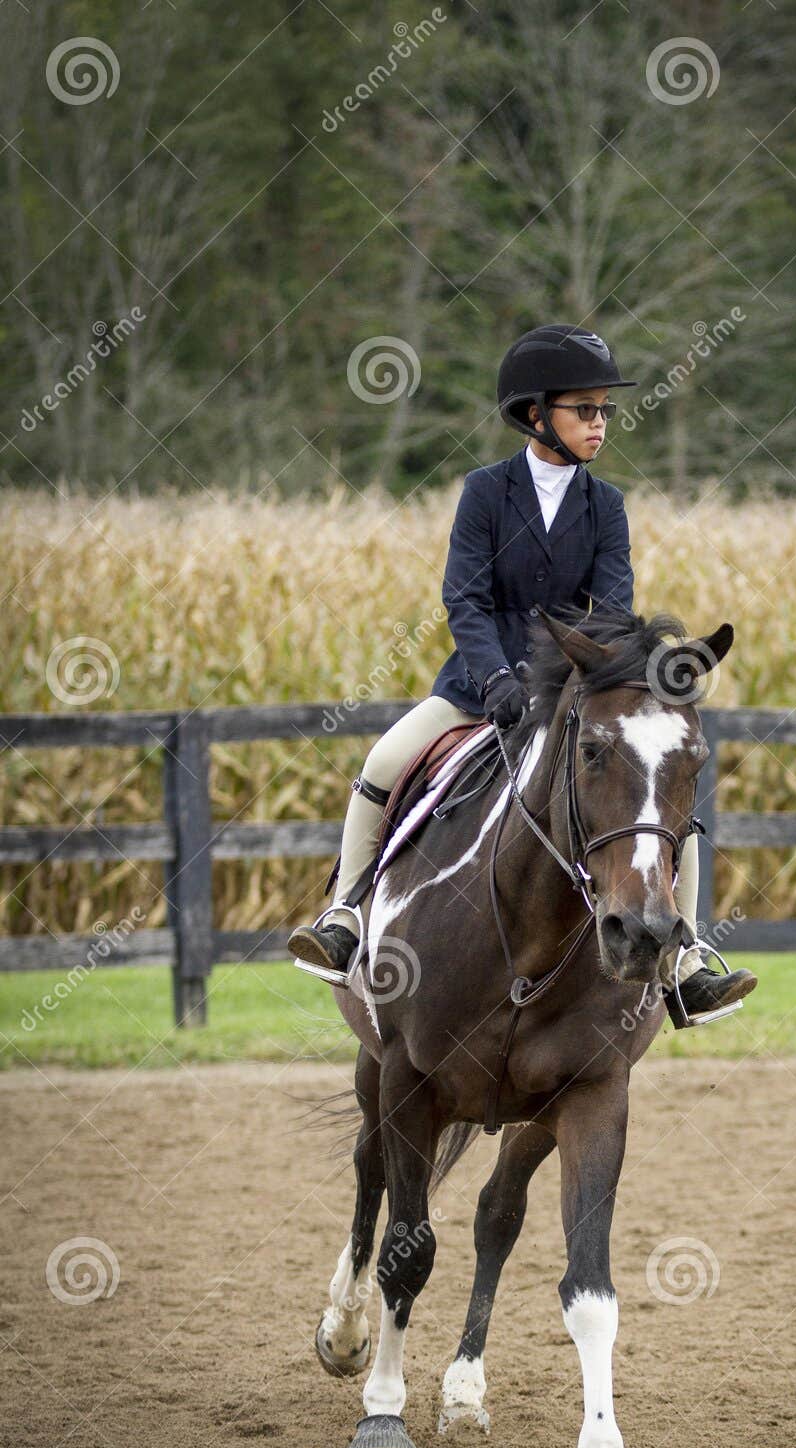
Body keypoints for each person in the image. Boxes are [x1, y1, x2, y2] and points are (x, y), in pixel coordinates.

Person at [287, 323, 756, 1026]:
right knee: (383, 759)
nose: (599, 423)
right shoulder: (485, 492)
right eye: (584, 409)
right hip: (479, 688)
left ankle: (684, 959)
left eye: (604, 410)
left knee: (653, 796)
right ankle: (346, 914)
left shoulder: (606, 506)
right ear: (537, 415)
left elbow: (613, 613)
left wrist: (585, 680)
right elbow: (464, 598)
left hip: (574, 691)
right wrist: (498, 678)